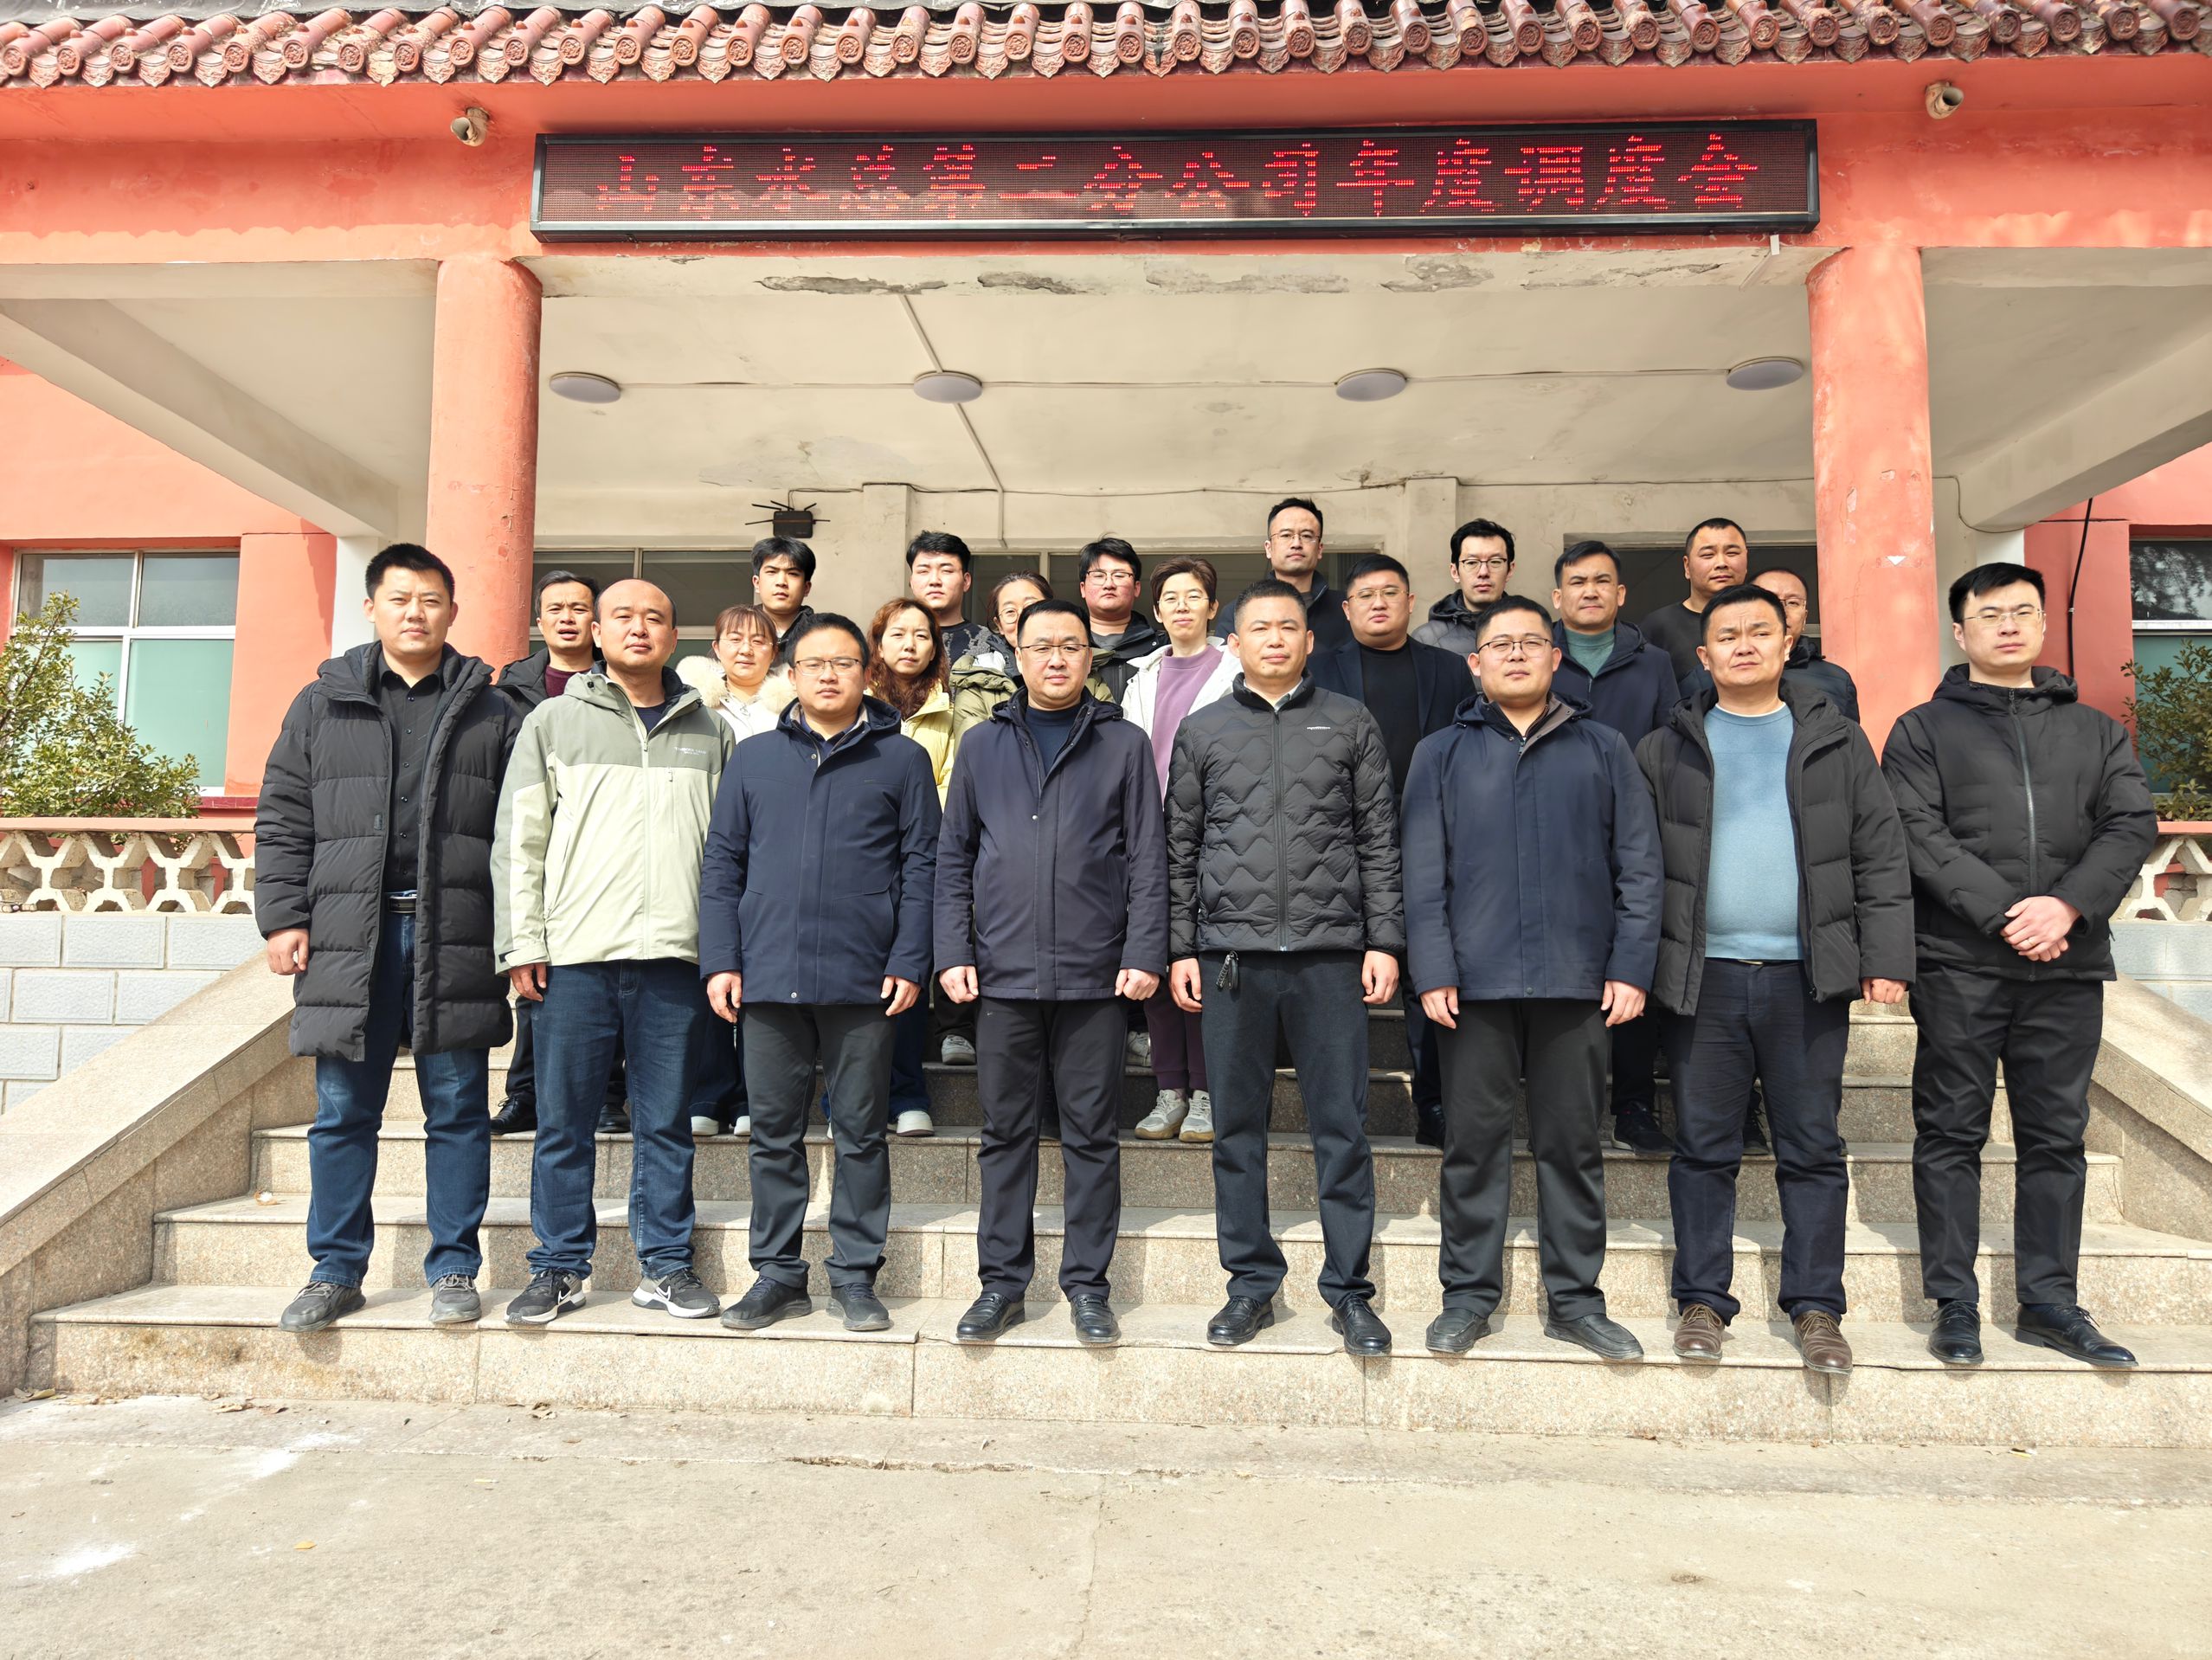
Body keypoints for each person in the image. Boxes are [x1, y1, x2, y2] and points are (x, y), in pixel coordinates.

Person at [1882, 562, 2158, 1370]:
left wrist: (2066, 906)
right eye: (1990, 614)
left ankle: (2049, 1302)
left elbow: (2130, 824)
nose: (2008, 625)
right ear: (1960, 631)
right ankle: (1955, 1303)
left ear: (2041, 624)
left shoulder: (2095, 731)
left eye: (2023, 612)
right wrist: (2009, 913)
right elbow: (1916, 832)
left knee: (2056, 1138)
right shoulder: (1922, 731)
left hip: (2067, 965)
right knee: (1950, 1133)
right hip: (1961, 963)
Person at [1637, 583, 1913, 1377]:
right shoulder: (1666, 748)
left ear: (1788, 643)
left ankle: (1817, 1307)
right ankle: (1701, 1300)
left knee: (1813, 1148)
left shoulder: (1836, 741)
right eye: (1728, 636)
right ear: (1704, 655)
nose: (1745, 645)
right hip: (1705, 978)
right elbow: (1637, 866)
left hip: (1806, 978)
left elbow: (1880, 853)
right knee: (1703, 1148)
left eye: (1760, 631)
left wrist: (1886, 956)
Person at [256, 543, 521, 1334]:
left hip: (456, 931)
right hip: (350, 934)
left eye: (431, 600)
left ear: (452, 611)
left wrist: (519, 935)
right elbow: (283, 816)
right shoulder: (321, 704)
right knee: (343, 1112)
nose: (416, 612)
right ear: (371, 607)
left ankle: (454, 1268)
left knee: (458, 1109)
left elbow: (523, 833)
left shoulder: (492, 710)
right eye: (400, 598)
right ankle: (335, 1270)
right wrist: (284, 915)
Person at [1403, 595, 1661, 1361]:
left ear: (1555, 657)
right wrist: (1433, 966)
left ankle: (1575, 1301)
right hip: (1472, 984)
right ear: (1475, 664)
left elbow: (1640, 865)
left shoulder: (1604, 747)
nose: (1515, 654)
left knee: (1573, 1145)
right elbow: (1422, 874)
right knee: (1472, 1147)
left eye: (1530, 643)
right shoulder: (1439, 754)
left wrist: (1630, 965)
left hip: (1578, 982)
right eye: (1500, 645)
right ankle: (1468, 1296)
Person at [1167, 580, 1404, 1356]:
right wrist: (1181, 948)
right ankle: (1250, 1285)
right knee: (1237, 1130)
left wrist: (1383, 941)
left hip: (1330, 956)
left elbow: (1378, 839)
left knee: (1342, 1128)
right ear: (1234, 643)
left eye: (1288, 627)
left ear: (1309, 640)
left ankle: (1350, 1292)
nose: (1274, 638)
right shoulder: (1203, 730)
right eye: (1258, 628)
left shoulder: (1349, 721)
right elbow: (1180, 848)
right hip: (1231, 959)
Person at [492, 579, 735, 1327]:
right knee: (564, 1123)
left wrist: (723, 951)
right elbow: (520, 839)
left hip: (675, 959)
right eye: (622, 617)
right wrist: (522, 941)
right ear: (596, 633)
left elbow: (730, 855)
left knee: (665, 1124)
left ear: (675, 636)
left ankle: (665, 1264)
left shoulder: (711, 731)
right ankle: (558, 1266)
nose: (639, 628)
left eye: (655, 617)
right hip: (576, 955)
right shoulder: (552, 722)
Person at [936, 598, 1168, 1346]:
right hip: (1001, 974)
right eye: (1041, 646)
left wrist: (1143, 952)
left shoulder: (1122, 743)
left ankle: (1088, 1287)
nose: (1057, 658)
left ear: (1088, 657)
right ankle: (1001, 1285)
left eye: (1071, 645)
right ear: (1019, 655)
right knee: (1004, 1134)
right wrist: (953, 951)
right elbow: (953, 858)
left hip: (1095, 976)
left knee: (1091, 1136)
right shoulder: (982, 745)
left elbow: (1147, 859)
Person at [701, 614, 941, 1335]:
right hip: (768, 971)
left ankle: (856, 1276)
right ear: (793, 674)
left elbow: (923, 868)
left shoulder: (901, 760)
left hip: (865, 976)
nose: (828, 675)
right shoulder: (754, 758)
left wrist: (909, 958)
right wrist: (722, 958)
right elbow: (722, 864)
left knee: (861, 1131)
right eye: (813, 664)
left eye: (843, 663)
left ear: (866, 673)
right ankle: (778, 1275)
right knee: (773, 1132)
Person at [1309, 552, 1476, 1150]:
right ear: (1346, 609)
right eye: (1366, 595)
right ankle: (1340, 1115)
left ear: (1410, 602)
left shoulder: (1449, 670)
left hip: (1430, 840)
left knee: (1427, 975)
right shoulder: (1320, 671)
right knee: (1342, 982)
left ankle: (1435, 1106)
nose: (1379, 603)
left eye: (1390, 592)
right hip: (1339, 847)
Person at [1545, 540, 1682, 1161]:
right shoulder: (1540, 656)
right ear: (1558, 596)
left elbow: (1671, 743)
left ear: (1621, 594)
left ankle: (1633, 1105)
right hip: (1556, 833)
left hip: (1634, 831)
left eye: (1602, 581)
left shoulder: (1653, 663)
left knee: (1632, 967)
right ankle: (1558, 1107)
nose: (1590, 591)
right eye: (1578, 582)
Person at [489, 569, 628, 1141]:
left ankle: (609, 1093)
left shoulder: (622, 682)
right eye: (556, 608)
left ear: (595, 622)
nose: (567, 618)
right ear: (539, 620)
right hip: (535, 852)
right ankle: (525, 1093)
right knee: (534, 982)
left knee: (609, 980)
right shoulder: (507, 693)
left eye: (579, 608)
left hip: (601, 853)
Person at [1121, 557, 1238, 1144]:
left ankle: (1208, 1092)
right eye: (1171, 597)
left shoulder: (1236, 671)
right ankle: (1170, 1089)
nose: (1182, 606)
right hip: (1150, 833)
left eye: (1194, 595)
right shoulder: (1141, 676)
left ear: (1213, 607)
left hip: (1216, 835)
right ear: (1157, 609)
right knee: (1157, 954)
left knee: (1205, 966)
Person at [675, 602, 797, 1139]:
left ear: (775, 652)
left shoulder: (792, 710)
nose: (746, 649)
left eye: (758, 640)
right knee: (711, 969)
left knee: (760, 982)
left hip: (771, 857)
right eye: (734, 639)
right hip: (709, 853)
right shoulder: (690, 707)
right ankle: (708, 1093)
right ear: (715, 648)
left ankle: (750, 1096)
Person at [871, 599, 971, 1122]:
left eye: (922, 635)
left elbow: (954, 785)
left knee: (909, 970)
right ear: (877, 643)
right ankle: (856, 1098)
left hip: (923, 857)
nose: (909, 644)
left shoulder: (951, 710)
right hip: (863, 858)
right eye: (897, 633)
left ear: (936, 648)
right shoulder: (854, 702)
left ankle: (908, 1093)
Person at [1676, 567, 1862, 725]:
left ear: (1805, 618)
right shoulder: (1704, 677)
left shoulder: (1837, 681)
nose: (1782, 610)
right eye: (1769, 600)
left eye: (1793, 603)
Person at [1639, 517, 1751, 682]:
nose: (1721, 563)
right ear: (1687, 566)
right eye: (1708, 555)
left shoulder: (1763, 619)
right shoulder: (1659, 625)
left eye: (1732, 553)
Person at [1245, 496, 1350, 652]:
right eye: (1286, 535)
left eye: (1307, 536)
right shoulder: (1240, 610)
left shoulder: (1348, 610)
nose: (1296, 544)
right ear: (1269, 548)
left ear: (1319, 549)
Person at [1413, 518, 1516, 656]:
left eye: (1495, 562)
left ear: (1510, 570)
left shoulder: (1533, 630)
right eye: (1472, 562)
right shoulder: (1426, 640)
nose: (1483, 572)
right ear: (1455, 572)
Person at [1077, 537, 1164, 700]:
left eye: (1119, 575)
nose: (1109, 584)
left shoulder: (1162, 646)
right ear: (1083, 588)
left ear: (1136, 588)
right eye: (1098, 575)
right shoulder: (1068, 647)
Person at [908, 530, 994, 666]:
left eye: (946, 571)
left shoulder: (989, 643)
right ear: (912, 582)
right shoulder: (891, 640)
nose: (934, 581)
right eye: (923, 571)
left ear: (966, 581)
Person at [750, 535, 817, 664]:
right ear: (757, 583)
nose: (781, 582)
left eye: (793, 574)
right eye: (772, 572)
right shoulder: (736, 633)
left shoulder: (823, 634)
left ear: (806, 587)